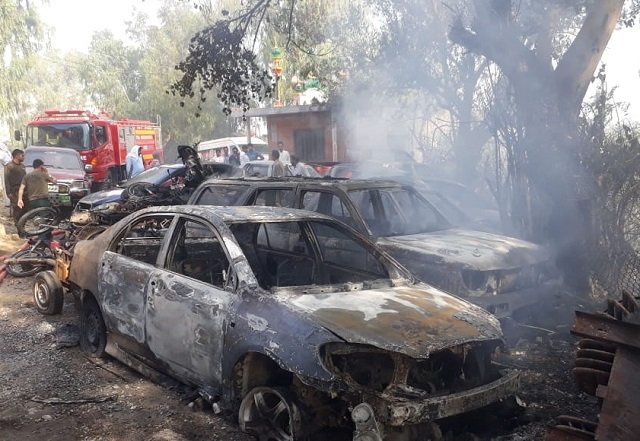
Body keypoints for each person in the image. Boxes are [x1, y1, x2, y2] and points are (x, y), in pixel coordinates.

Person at [4, 149, 26, 225]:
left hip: (23, 191)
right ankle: (17, 225)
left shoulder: (22, 166)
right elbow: (6, 180)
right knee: (17, 208)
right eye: (22, 156)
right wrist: (8, 192)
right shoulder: (9, 166)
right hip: (14, 191)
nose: (24, 157)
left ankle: (22, 224)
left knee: (24, 208)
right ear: (16, 156)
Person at [0, 141, 12, 207]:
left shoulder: (5, 152)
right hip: (4, 167)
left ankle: (8, 202)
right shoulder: (3, 152)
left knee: (7, 184)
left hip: (6, 167)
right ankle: (7, 202)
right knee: (5, 185)